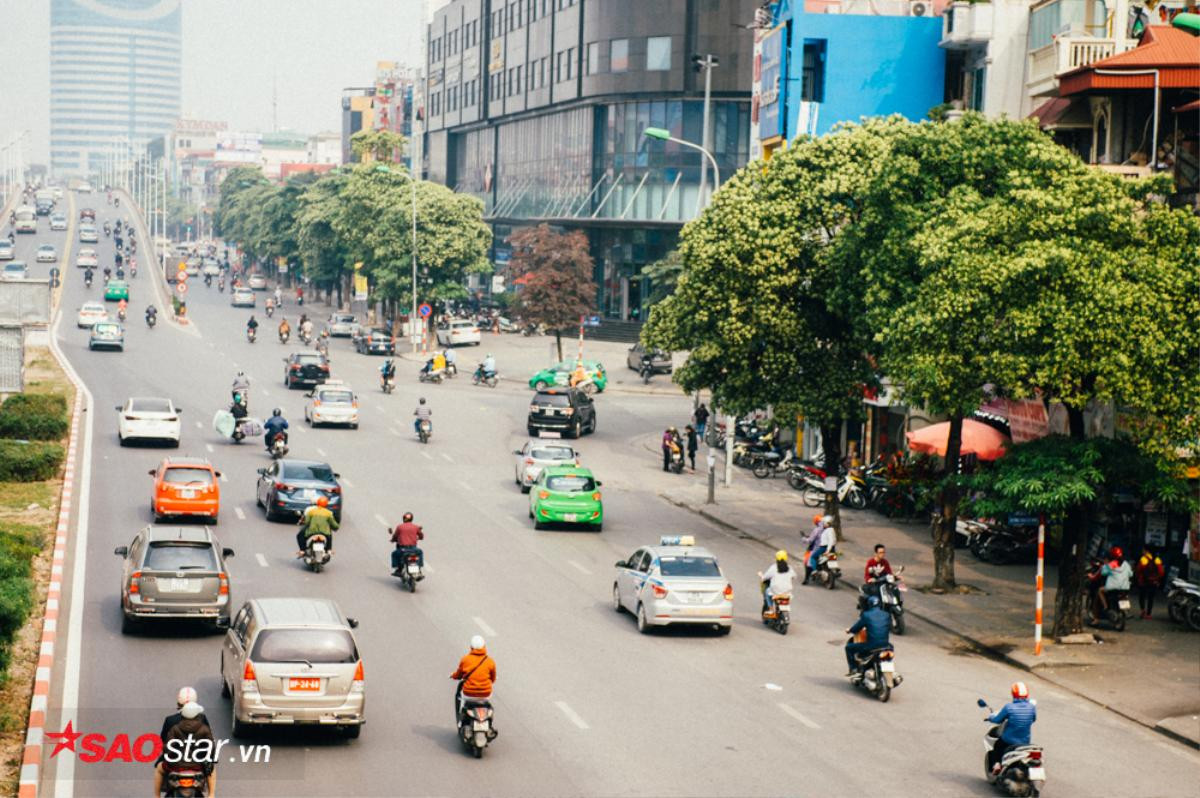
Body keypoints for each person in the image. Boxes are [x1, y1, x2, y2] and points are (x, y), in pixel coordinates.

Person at [154, 700, 216, 798]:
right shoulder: (204, 728)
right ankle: (212, 795)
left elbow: (167, 748)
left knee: (159, 769)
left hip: (175, 766)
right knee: (211, 770)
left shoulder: (175, 728)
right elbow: (211, 748)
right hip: (198, 766)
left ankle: (157, 796)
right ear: (197, 716)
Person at [985, 682, 1037, 774]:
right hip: (1025, 742)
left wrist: (990, 717)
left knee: (997, 745)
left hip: (1009, 741)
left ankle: (997, 765)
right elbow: (1033, 719)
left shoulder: (1009, 707)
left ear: (1013, 693)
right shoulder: (1031, 707)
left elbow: (997, 720)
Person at [450, 635, 497, 719]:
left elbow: (459, 674)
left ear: (471, 647)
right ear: (484, 646)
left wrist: (453, 676)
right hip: (485, 694)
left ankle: (460, 719)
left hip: (469, 694)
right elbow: (493, 679)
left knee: (460, 697)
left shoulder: (465, 659)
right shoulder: (490, 661)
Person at [844, 595, 891, 676]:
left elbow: (857, 628)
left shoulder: (866, 615)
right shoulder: (886, 614)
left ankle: (853, 669)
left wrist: (850, 630)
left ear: (869, 604)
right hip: (886, 645)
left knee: (848, 648)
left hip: (871, 646)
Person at [1093, 546, 1133, 622]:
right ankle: (1126, 610)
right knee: (1125, 596)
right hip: (1125, 588)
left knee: (1100, 590)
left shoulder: (1111, 564)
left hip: (1112, 588)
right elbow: (1131, 574)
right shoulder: (1126, 564)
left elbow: (1103, 573)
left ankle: (1105, 607)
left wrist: (1105, 565)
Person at [760, 550, 795, 615]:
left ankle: (771, 609)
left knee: (767, 592)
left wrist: (761, 575)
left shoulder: (774, 567)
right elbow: (793, 576)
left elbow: (765, 577)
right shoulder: (789, 568)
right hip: (787, 590)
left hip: (775, 590)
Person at [1135, 547, 1165, 619]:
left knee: (1142, 596)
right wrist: (1156, 579)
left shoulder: (1143, 559)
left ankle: (1143, 611)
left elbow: (1138, 570)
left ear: (1146, 551)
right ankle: (1149, 614)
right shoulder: (1157, 559)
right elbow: (1161, 572)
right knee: (1150, 598)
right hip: (1153, 582)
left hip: (1143, 582)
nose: (1142, 551)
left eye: (1143, 550)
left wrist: (1138, 578)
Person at [808, 517, 836, 583]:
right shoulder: (831, 530)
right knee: (832, 559)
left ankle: (815, 570)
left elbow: (830, 541)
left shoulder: (828, 531)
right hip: (832, 548)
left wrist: (827, 550)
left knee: (813, 557)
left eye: (824, 523)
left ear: (827, 523)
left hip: (824, 548)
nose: (823, 524)